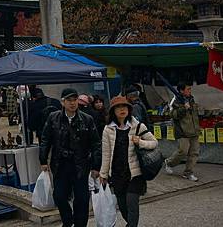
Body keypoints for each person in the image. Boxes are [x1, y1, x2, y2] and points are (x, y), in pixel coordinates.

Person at [39, 88, 101, 227]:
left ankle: (80, 224)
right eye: (69, 100)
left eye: (75, 100)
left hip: (81, 164)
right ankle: (68, 221)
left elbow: (96, 144)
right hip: (60, 164)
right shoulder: (53, 117)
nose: (72, 103)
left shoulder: (87, 119)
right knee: (59, 196)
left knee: (82, 199)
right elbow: (45, 139)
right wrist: (43, 160)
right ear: (63, 102)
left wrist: (96, 166)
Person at [100, 96, 158, 227]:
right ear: (113, 111)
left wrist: (141, 142)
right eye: (118, 107)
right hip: (117, 174)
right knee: (122, 206)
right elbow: (106, 154)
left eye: (124, 106)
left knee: (132, 203)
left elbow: (154, 143)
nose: (122, 109)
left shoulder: (138, 126)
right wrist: (103, 174)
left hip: (135, 173)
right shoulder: (108, 129)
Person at [164, 82, 201, 181]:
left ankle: (188, 173)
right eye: (188, 89)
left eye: (190, 89)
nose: (190, 91)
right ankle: (169, 162)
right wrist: (183, 108)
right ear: (181, 90)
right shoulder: (175, 101)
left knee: (194, 153)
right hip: (182, 131)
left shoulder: (191, 99)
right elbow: (172, 115)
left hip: (194, 131)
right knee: (183, 151)